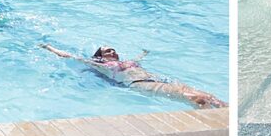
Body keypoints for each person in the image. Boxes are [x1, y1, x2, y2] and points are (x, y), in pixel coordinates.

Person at [39, 44, 227, 109]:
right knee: (198, 98)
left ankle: (226, 114)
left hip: (158, 80)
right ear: (100, 56)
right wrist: (49, 48)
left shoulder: (127, 61)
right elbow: (70, 56)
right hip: (142, 85)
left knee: (208, 97)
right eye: (107, 50)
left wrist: (144, 53)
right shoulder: (101, 65)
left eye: (113, 49)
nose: (112, 50)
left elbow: (138, 57)